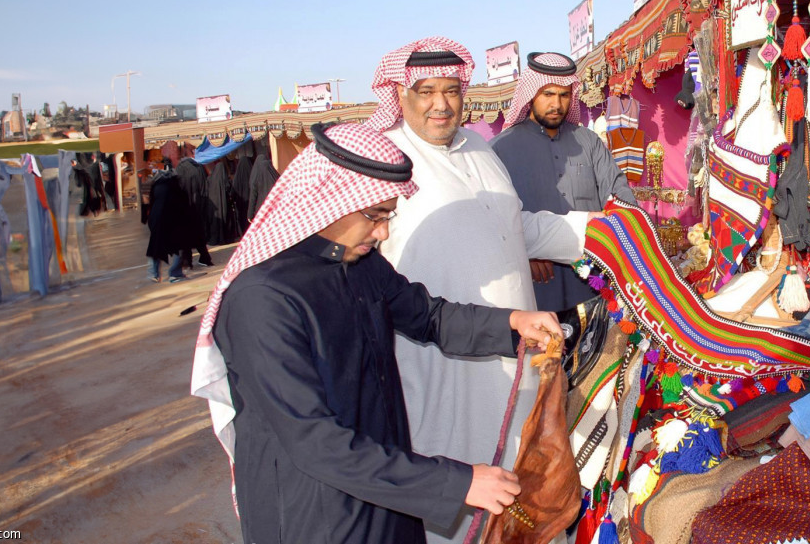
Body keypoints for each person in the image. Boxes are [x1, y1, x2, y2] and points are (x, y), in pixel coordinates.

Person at [190, 123, 561, 543]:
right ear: (328, 200)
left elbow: (427, 316)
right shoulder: (262, 298)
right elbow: (315, 440)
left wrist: (511, 323)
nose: (383, 232)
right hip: (313, 511)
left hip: (387, 490)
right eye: (375, 215)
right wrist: (457, 483)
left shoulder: (360, 263)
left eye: (389, 215)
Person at [368, 37, 591, 542]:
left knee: (521, 479)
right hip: (438, 363)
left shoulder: (480, 149)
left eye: (451, 90)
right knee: (455, 489)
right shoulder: (389, 159)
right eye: (425, 91)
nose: (441, 104)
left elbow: (517, 227)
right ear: (401, 95)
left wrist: (601, 232)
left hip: (515, 352)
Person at [492, 52, 636, 311]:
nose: (556, 104)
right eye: (548, 94)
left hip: (594, 278)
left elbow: (619, 194)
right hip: (537, 285)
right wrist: (525, 251)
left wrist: (626, 233)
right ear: (531, 94)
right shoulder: (500, 149)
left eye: (564, 95)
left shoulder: (588, 142)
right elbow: (495, 220)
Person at [143, 163, 189, 283]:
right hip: (172, 220)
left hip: (156, 220)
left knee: (156, 247)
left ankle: (155, 274)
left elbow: (150, 204)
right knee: (179, 246)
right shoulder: (174, 186)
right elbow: (182, 204)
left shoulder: (156, 186)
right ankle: (175, 273)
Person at [175, 157, 214, 267]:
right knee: (199, 235)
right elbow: (205, 186)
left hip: (185, 209)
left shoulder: (180, 169)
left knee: (186, 236)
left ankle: (187, 261)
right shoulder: (199, 167)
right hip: (198, 207)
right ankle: (205, 258)